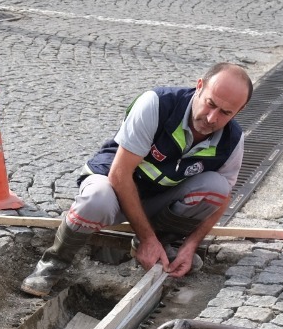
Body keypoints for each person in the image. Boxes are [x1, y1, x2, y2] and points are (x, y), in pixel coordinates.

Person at [20, 62, 253, 296]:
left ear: (239, 110)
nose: (212, 118)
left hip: (158, 200)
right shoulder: (157, 104)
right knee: (95, 200)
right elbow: (120, 175)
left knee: (217, 187)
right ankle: (53, 263)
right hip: (114, 187)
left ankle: (164, 244)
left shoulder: (232, 140)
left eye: (225, 112)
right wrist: (145, 237)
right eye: (210, 104)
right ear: (199, 86)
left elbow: (223, 198)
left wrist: (191, 245)